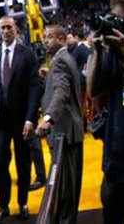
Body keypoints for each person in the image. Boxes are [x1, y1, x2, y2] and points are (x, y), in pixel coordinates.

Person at [0, 16, 41, 223]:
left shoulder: (27, 55)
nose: (6, 31)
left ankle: (23, 202)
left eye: (9, 27)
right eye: (2, 28)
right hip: (0, 121)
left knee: (23, 163)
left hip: (21, 121)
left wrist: (30, 119)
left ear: (16, 29)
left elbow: (35, 89)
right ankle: (3, 205)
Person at [36, 24, 84, 224]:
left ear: (62, 39)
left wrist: (47, 119)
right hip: (67, 131)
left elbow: (62, 92)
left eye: (49, 37)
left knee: (65, 189)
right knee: (65, 187)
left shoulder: (61, 61)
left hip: (65, 132)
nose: (44, 40)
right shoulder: (62, 59)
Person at [87, 0, 124, 224]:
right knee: (110, 204)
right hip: (116, 146)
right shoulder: (109, 48)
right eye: (114, 18)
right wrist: (97, 52)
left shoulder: (120, 48)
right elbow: (92, 90)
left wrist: (123, 51)